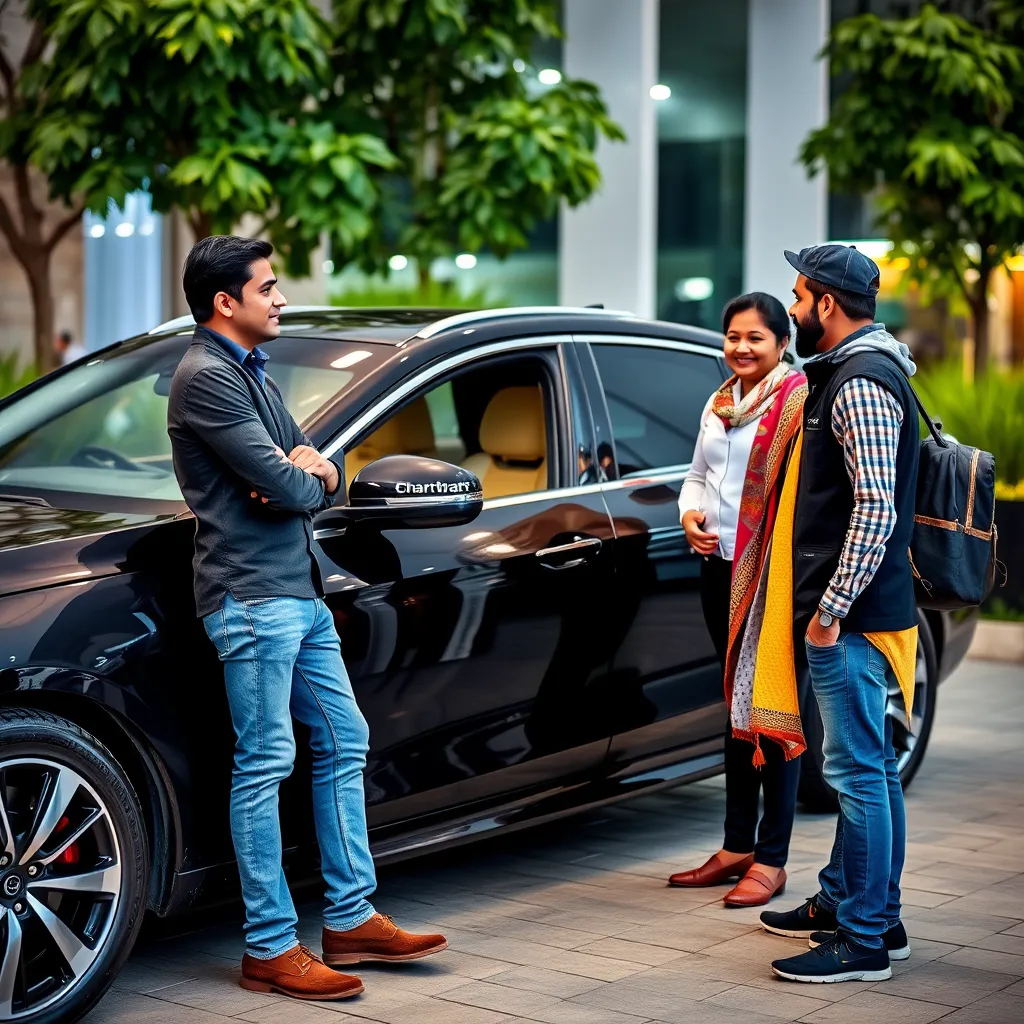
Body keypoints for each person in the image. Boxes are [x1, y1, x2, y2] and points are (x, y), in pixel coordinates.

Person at [167, 235, 447, 1002]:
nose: (281, 297)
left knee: (344, 739)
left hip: (297, 591)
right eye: (268, 287)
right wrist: (301, 476)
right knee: (264, 762)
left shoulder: (249, 369)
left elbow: (316, 465)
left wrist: (308, 470)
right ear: (225, 301)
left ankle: (351, 916)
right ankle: (268, 947)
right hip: (252, 598)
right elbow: (291, 486)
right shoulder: (207, 379)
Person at [763, 244, 920, 984]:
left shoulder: (860, 380)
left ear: (827, 302)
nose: (792, 307)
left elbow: (875, 508)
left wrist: (829, 611)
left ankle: (862, 941)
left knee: (856, 773)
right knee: (871, 768)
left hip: (852, 617)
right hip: (858, 611)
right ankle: (868, 913)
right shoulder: (855, 370)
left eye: (799, 296)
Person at [668, 293, 807, 907]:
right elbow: (697, 475)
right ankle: (735, 846)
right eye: (733, 336)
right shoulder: (719, 402)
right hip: (719, 570)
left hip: (774, 579)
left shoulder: (798, 402)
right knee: (736, 704)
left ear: (782, 342)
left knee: (772, 708)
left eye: (756, 337)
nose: (742, 347)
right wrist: (689, 514)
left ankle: (771, 858)